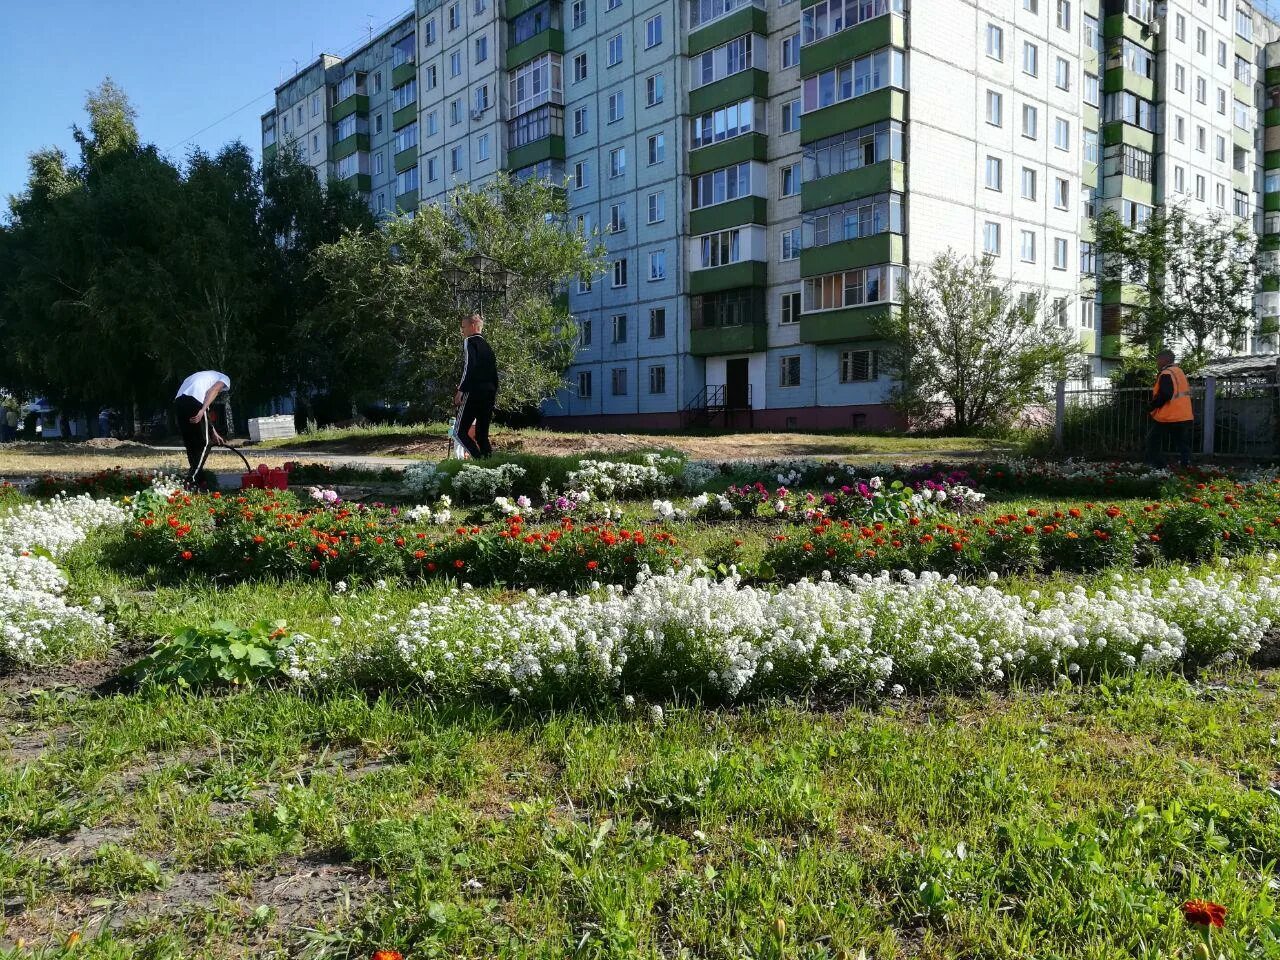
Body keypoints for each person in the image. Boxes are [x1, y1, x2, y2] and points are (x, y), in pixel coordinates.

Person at [174, 370, 231, 489]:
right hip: (196, 403)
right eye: (222, 391)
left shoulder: (198, 377)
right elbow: (213, 390)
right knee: (205, 443)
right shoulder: (224, 378)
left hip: (179, 403)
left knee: (191, 443)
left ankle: (199, 480)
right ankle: (191, 479)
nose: (220, 392)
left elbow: (206, 416)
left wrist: (213, 431)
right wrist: (202, 410)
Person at [453, 313, 498, 459]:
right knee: (481, 435)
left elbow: (469, 366)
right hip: (489, 394)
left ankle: (478, 460)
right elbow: (494, 374)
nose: (462, 330)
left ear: (472, 326)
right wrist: (493, 394)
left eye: (463, 327)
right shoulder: (488, 346)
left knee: (458, 432)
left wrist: (461, 390)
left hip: (473, 393)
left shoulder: (469, 341)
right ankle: (489, 465)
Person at [1147, 349, 1194, 469]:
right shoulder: (1179, 371)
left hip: (1168, 415)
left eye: (1158, 359)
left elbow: (1166, 394)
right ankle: (1186, 465)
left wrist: (1153, 405)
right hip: (1184, 415)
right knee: (1182, 443)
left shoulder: (1166, 373)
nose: (1157, 362)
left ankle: (1158, 466)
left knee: (1153, 440)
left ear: (1164, 359)